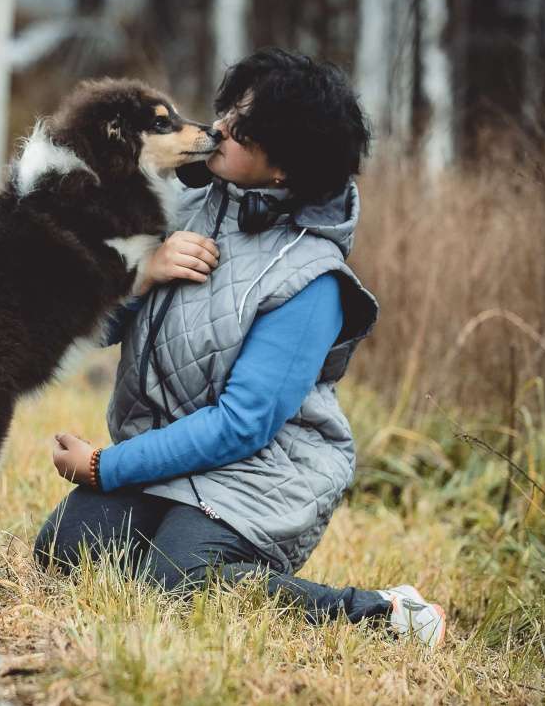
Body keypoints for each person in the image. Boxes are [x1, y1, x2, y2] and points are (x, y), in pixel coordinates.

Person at [33, 47, 446, 648]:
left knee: (175, 587)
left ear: (286, 169)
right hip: (169, 461)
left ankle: (386, 614)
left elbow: (242, 425)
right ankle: (177, 546)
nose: (220, 127)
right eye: (228, 111)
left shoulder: (312, 276)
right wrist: (138, 275)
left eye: (244, 129)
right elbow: (89, 329)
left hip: (260, 476)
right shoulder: (179, 207)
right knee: (64, 553)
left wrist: (105, 468)